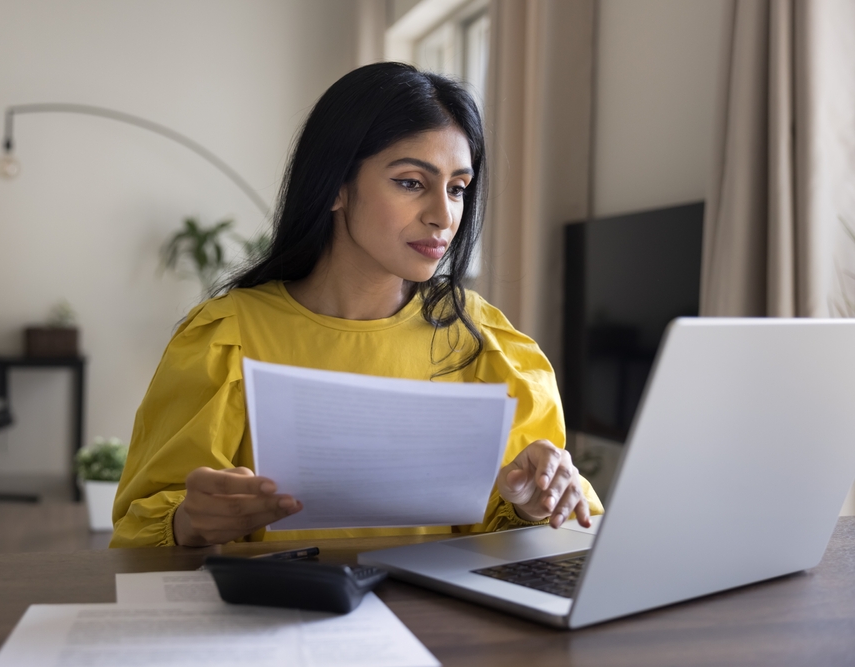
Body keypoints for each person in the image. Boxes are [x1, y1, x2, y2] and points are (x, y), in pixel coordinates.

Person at [110, 62, 603, 549]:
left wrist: (532, 503)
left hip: (432, 605)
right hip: (276, 601)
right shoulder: (224, 337)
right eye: (411, 182)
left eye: (457, 188)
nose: (443, 215)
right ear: (336, 187)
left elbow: (541, 536)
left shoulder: (485, 343)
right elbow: (142, 528)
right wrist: (191, 521)